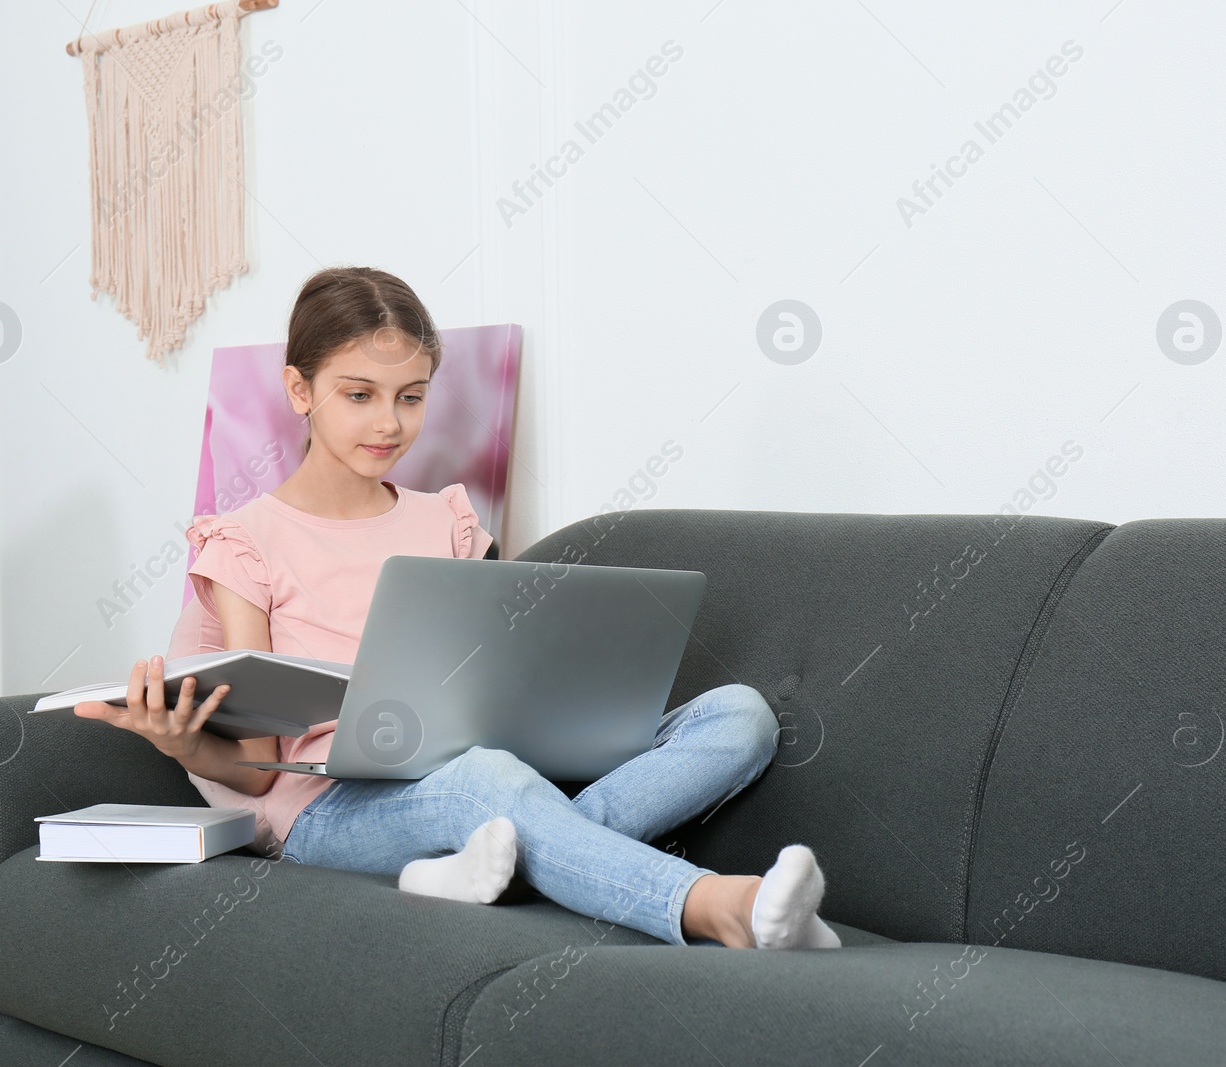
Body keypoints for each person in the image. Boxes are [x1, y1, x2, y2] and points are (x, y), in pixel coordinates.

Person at [75, 266, 841, 950]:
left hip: (485, 763)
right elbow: (255, 772)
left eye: (411, 397)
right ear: (299, 390)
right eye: (359, 395)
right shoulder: (243, 543)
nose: (389, 423)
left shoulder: (447, 518)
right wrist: (183, 744)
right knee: (487, 780)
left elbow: (502, 674)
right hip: (330, 810)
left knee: (740, 714)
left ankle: (492, 865)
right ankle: (719, 906)